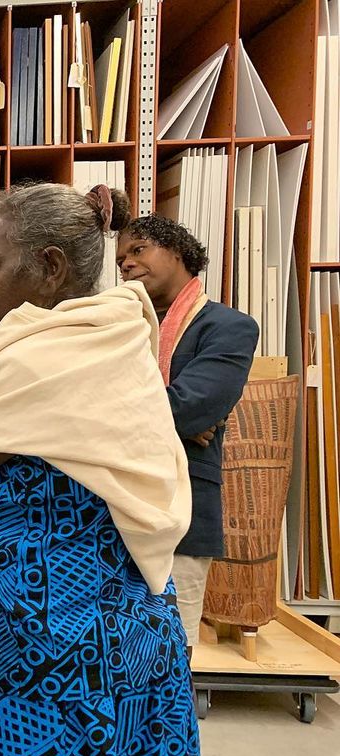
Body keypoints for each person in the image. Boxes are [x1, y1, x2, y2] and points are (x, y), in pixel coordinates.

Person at [0, 183, 202, 756]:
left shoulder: (68, 354)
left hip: (72, 666)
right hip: (22, 648)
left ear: (49, 267)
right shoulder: (56, 352)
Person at [117, 215, 258, 652]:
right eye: (120, 259)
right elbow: (80, 398)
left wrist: (127, 412)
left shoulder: (228, 328)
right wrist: (168, 416)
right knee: (110, 658)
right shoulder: (118, 329)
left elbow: (194, 407)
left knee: (168, 656)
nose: (125, 264)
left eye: (138, 250)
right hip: (112, 509)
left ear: (176, 252)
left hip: (182, 515)